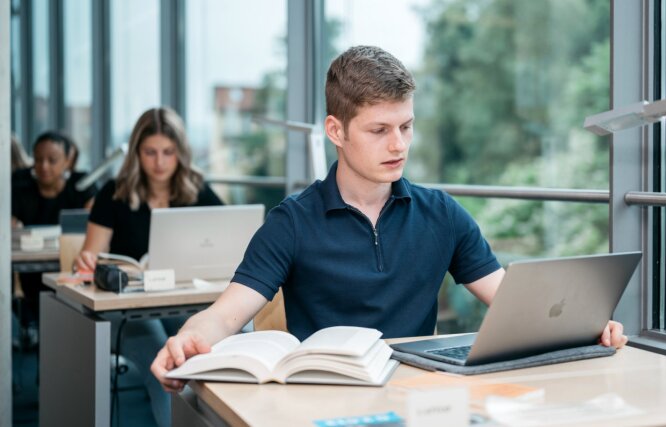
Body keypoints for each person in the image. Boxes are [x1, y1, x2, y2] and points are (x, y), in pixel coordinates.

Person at [151, 46, 628, 393]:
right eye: (379, 131)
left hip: (419, 398)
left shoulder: (442, 215)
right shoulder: (292, 221)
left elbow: (516, 306)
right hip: (322, 398)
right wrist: (187, 341)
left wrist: (586, 326)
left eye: (406, 126)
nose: (399, 145)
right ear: (335, 131)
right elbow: (226, 314)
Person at [75, 106, 223, 427]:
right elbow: (90, 257)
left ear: (180, 153)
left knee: (212, 347)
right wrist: (87, 262)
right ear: (136, 153)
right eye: (150, 152)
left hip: (180, 303)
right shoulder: (112, 195)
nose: (159, 162)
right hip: (127, 310)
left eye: (168, 152)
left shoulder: (198, 190)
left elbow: (227, 244)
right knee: (163, 355)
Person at [11, 131, 97, 330]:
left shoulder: (82, 184)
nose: (44, 166)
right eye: (38, 160)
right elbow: (9, 229)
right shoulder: (21, 187)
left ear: (68, 160)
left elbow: (95, 223)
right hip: (32, 274)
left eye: (52, 160)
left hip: (74, 267)